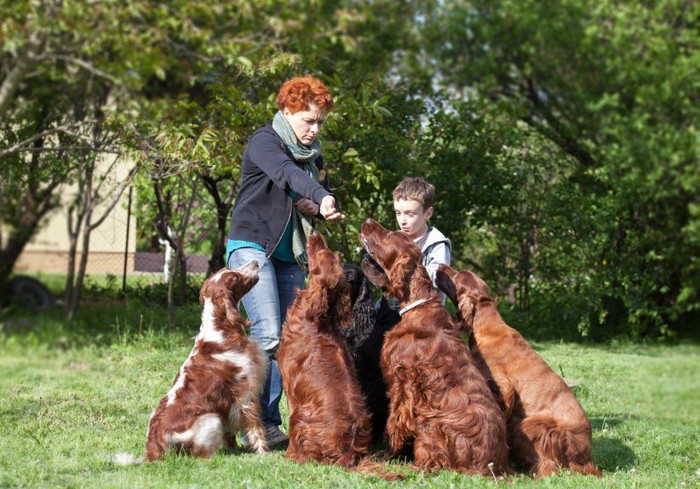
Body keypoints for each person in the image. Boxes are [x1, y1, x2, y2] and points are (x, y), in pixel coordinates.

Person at [225, 76, 343, 447]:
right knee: (269, 334)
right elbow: (286, 175)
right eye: (309, 120)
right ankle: (252, 423)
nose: (315, 128)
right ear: (287, 110)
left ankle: (267, 423)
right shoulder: (266, 142)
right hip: (252, 245)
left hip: (286, 252)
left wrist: (318, 206)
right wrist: (319, 194)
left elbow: (296, 195)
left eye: (321, 121)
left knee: (290, 337)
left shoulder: (313, 154)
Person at [392, 176, 451, 303]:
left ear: (428, 213)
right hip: (394, 310)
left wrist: (405, 269)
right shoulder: (396, 239)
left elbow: (439, 278)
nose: (402, 221)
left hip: (425, 313)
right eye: (398, 213)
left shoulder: (436, 243)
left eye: (410, 214)